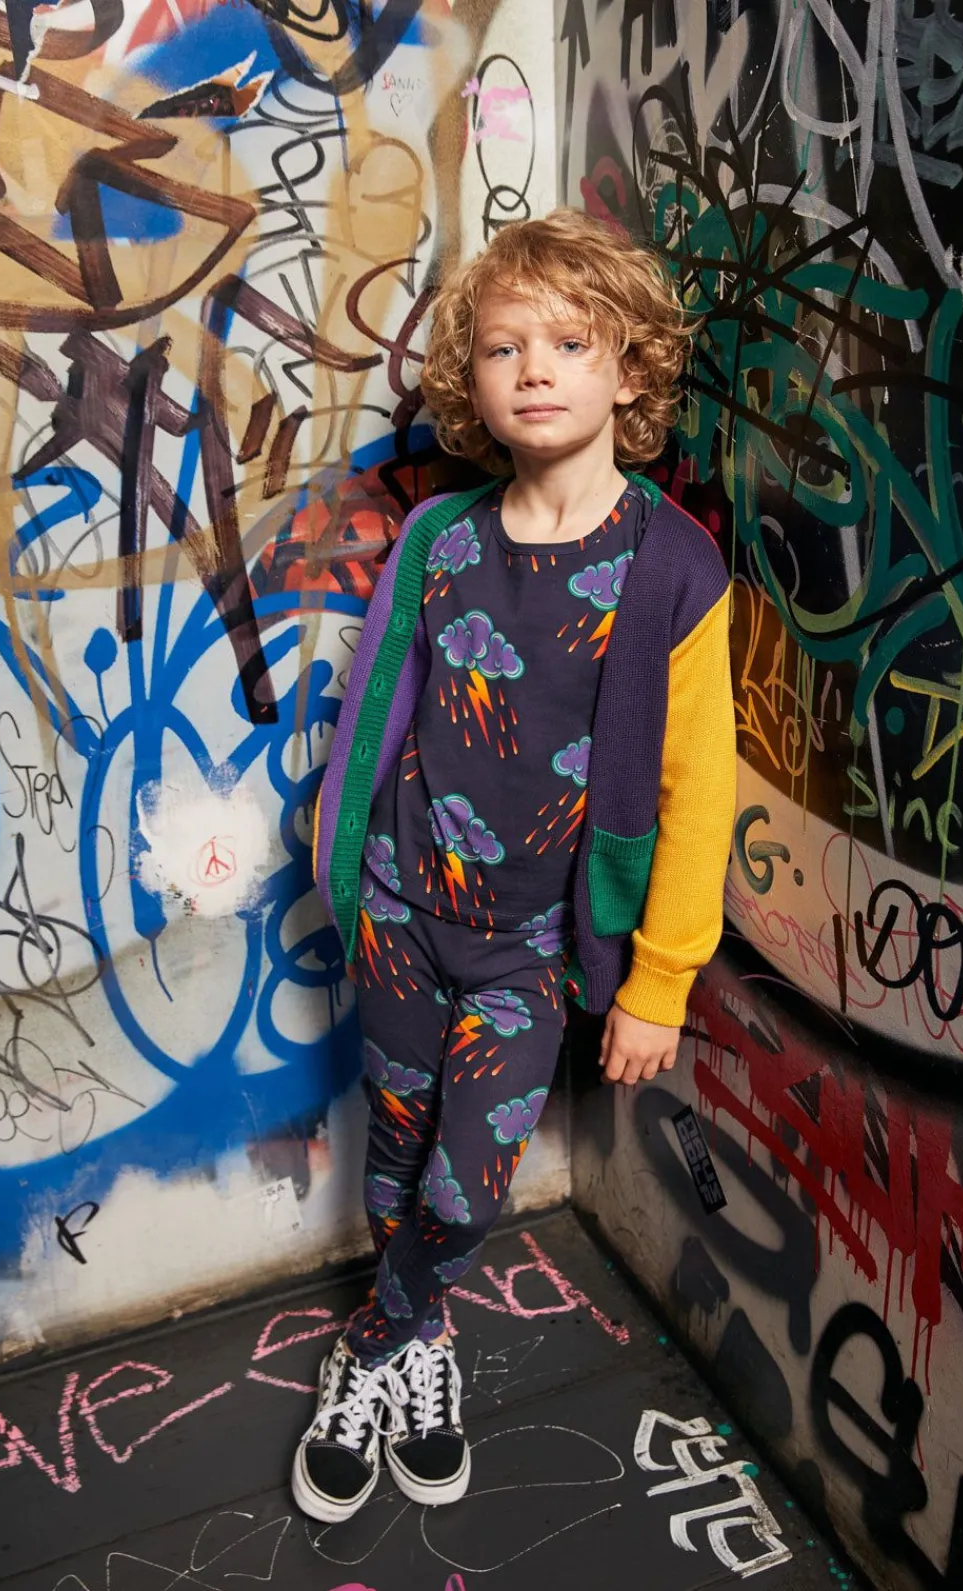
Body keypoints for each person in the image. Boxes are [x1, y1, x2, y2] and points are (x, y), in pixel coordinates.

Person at [296, 208, 736, 1524]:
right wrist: (343, 870)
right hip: (399, 913)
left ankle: (374, 1339)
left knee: (464, 1182)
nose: (534, 367)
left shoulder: (672, 566)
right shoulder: (440, 540)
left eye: (570, 342)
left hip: (531, 951)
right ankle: (421, 1344)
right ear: (472, 381)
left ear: (631, 373)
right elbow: (376, 713)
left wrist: (660, 980)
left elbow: (698, 792)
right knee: (396, 1144)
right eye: (503, 347)